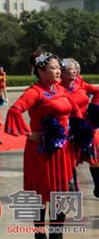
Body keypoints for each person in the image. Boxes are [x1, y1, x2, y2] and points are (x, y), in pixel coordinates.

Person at [4, 52, 82, 239]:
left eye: (58, 68)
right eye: (53, 68)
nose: (58, 71)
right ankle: (39, 235)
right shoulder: (35, 91)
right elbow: (15, 110)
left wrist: (79, 130)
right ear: (40, 71)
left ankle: (56, 236)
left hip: (63, 151)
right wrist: (30, 134)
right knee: (41, 193)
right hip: (42, 151)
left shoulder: (60, 90)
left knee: (61, 193)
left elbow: (76, 110)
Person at [59, 58, 99, 197]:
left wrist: (94, 110)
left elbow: (98, 91)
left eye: (76, 68)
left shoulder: (80, 83)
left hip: (86, 126)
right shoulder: (57, 87)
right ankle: (73, 187)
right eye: (71, 69)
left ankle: (98, 186)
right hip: (69, 128)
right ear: (62, 72)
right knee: (71, 159)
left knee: (95, 155)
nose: (75, 71)